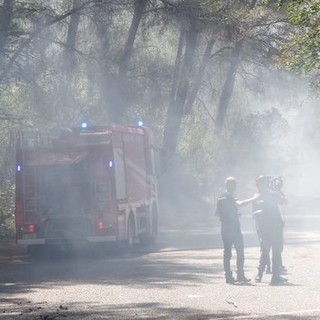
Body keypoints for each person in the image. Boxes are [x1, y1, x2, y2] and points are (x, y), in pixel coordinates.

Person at [215, 177, 256, 284]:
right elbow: (240, 204)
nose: (235, 186)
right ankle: (240, 275)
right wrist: (253, 199)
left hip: (224, 227)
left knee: (227, 252)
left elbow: (217, 213)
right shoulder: (232, 195)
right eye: (234, 184)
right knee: (240, 251)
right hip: (234, 227)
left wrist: (230, 214)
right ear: (233, 185)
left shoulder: (220, 197)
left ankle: (228, 276)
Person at [252, 175, 288, 285]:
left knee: (267, 251)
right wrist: (277, 189)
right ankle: (272, 276)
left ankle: (262, 275)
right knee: (272, 251)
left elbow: (254, 214)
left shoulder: (257, 196)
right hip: (272, 227)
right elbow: (285, 200)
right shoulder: (270, 195)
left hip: (266, 227)